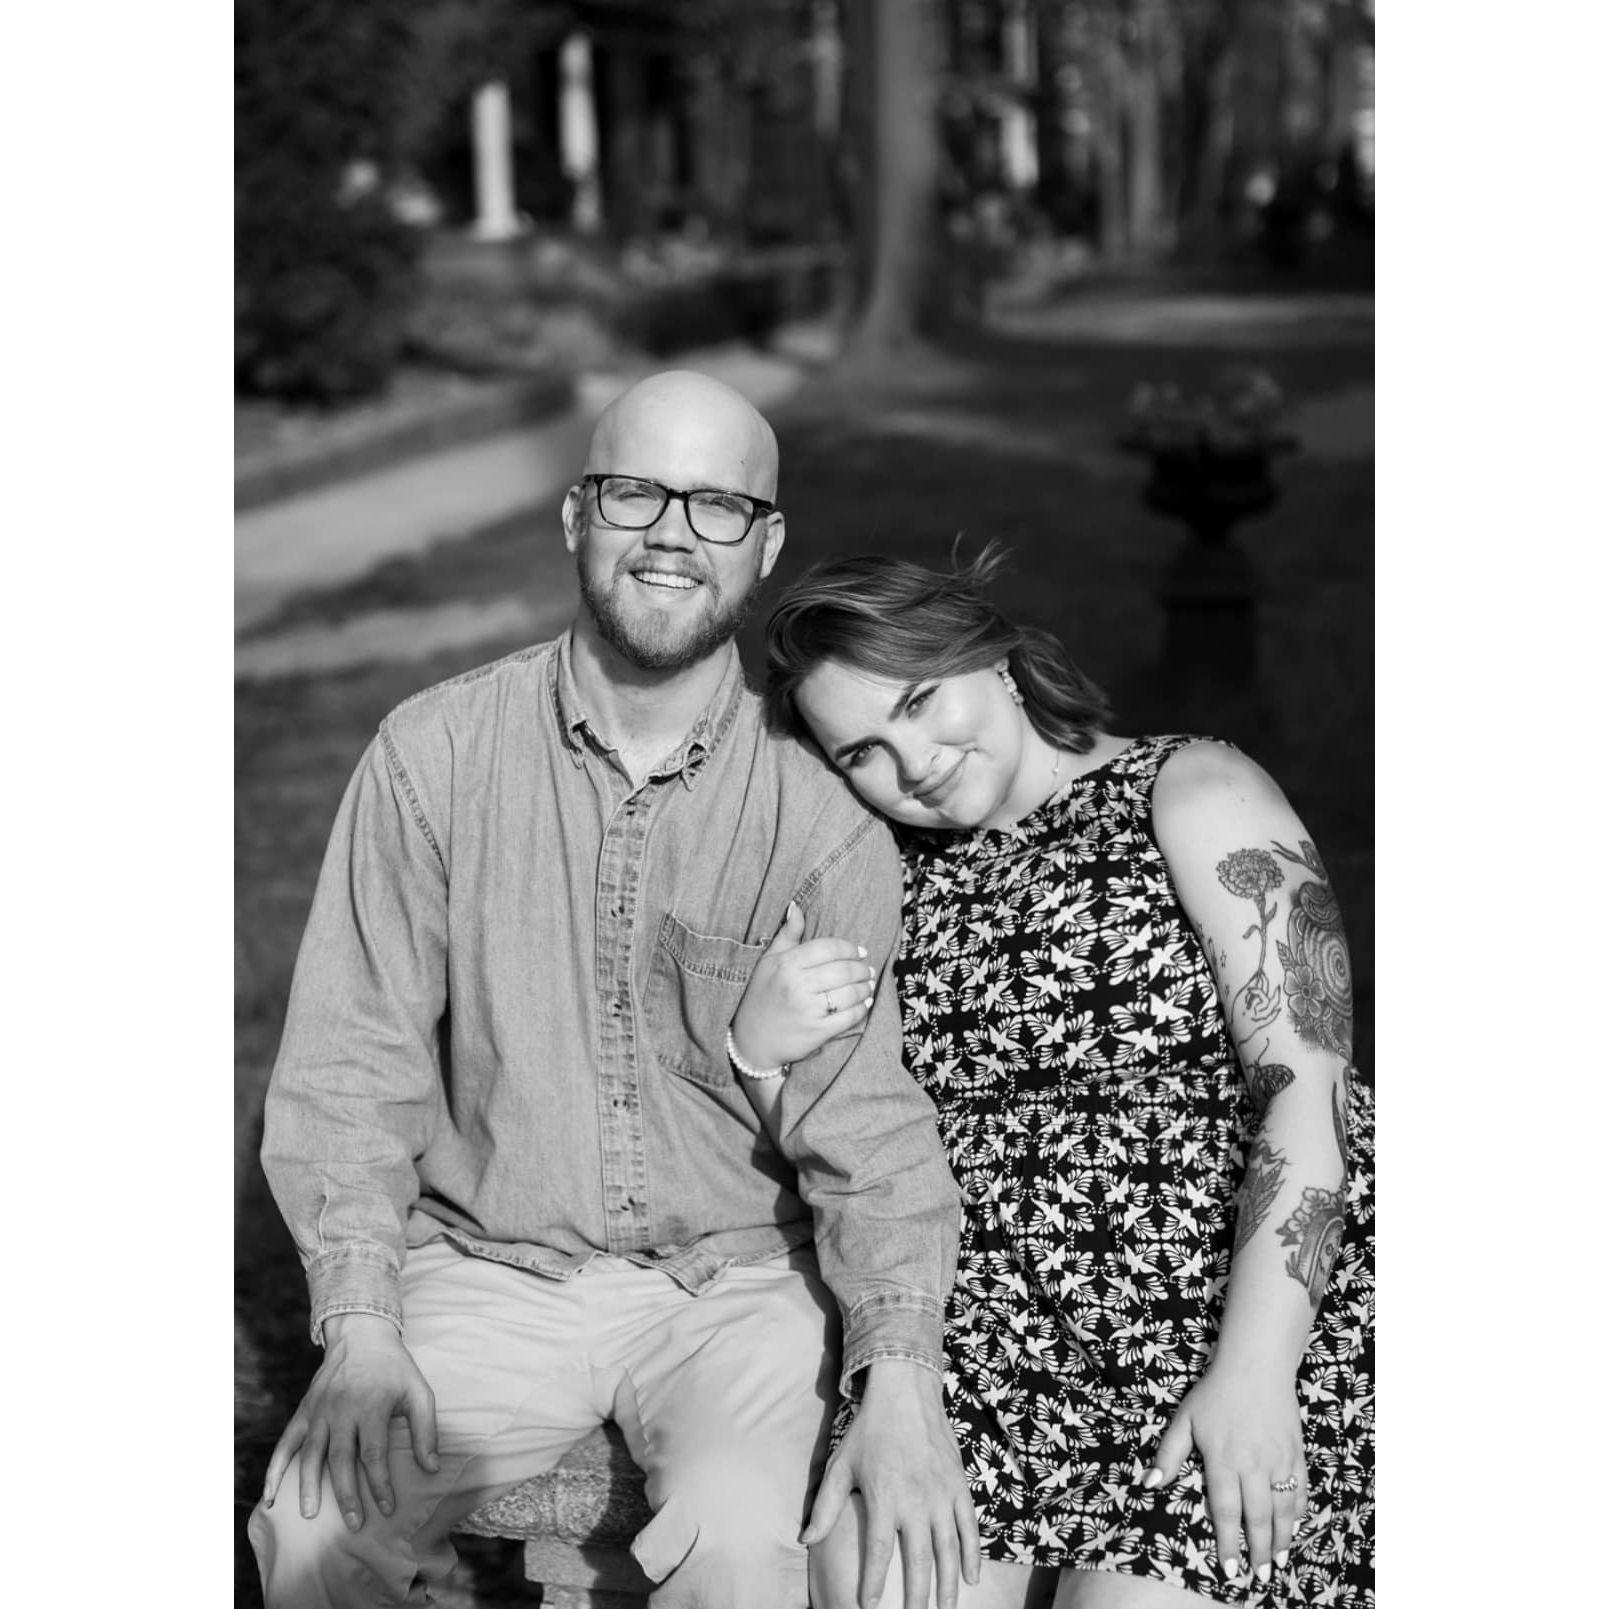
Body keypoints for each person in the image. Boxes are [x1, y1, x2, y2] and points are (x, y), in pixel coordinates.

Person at [247, 371, 981, 1609]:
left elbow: (863, 1122)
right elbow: (349, 1068)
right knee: (318, 1528)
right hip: (483, 1270)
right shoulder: (435, 755)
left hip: (738, 1285)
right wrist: (362, 1326)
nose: (672, 535)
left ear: (765, 543)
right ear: (577, 514)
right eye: (637, 492)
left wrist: (901, 1369)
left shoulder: (818, 807)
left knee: (749, 1548)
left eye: (716, 504)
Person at [730, 547, 1374, 1609]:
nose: (914, 763)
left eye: (920, 701)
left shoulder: (1191, 791)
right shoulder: (872, 873)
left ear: (990, 655)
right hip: (983, 1345)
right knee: (877, 1586)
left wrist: (1254, 1376)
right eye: (863, 751)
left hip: (1220, 1316)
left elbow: (1308, 1100)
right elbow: (846, 1139)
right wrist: (761, 1051)